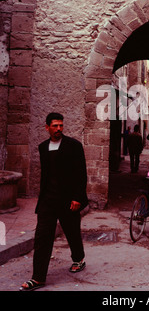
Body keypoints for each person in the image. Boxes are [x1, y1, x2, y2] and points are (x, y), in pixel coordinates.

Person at [20, 112, 88, 291]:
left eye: (61, 125)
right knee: (42, 237)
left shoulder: (74, 146)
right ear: (47, 127)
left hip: (68, 200)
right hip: (48, 201)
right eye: (55, 126)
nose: (59, 129)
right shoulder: (43, 147)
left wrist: (78, 198)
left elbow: (81, 174)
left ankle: (78, 259)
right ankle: (38, 277)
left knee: (72, 231)